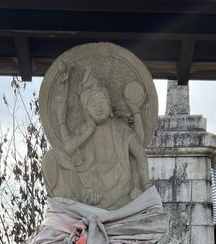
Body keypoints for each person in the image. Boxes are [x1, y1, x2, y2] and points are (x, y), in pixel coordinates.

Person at [42, 66, 151, 209]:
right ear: (85, 111)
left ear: (109, 103)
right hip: (91, 191)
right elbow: (68, 149)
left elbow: (139, 154)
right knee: (51, 157)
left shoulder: (121, 128)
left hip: (122, 191)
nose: (99, 108)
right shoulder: (85, 130)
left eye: (102, 102)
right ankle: (77, 203)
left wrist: (145, 186)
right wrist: (87, 130)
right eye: (92, 105)